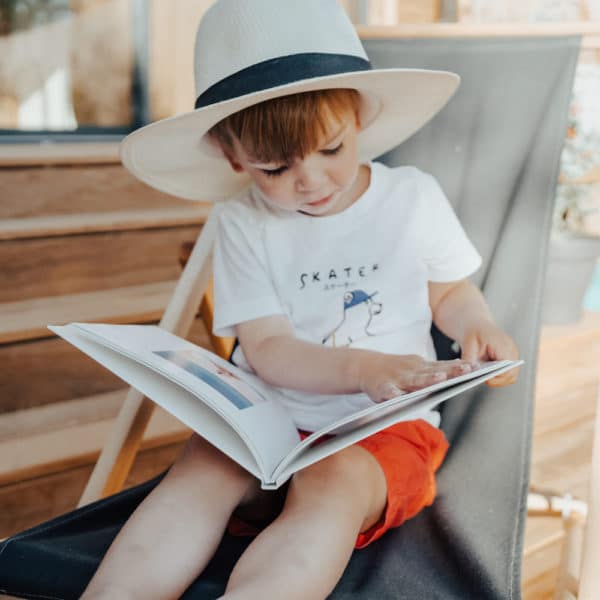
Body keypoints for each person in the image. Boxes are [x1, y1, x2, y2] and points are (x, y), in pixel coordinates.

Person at [83, 1, 519, 598]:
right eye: (275, 167)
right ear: (235, 158)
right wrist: (362, 367)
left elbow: (449, 289)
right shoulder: (243, 221)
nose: (310, 181)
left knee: (331, 482)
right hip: (265, 422)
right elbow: (267, 349)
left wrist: (476, 322)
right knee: (200, 474)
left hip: (383, 432)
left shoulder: (411, 198)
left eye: (331, 151)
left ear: (360, 119)